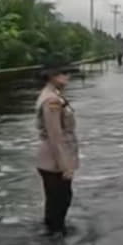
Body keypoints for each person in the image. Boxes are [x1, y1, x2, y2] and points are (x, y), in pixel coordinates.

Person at [35, 59, 80, 235]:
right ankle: (54, 240)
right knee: (60, 201)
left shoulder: (54, 94)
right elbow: (55, 136)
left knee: (58, 201)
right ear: (51, 76)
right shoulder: (51, 100)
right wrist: (65, 165)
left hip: (54, 158)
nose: (68, 76)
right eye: (63, 73)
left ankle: (53, 236)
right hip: (53, 161)